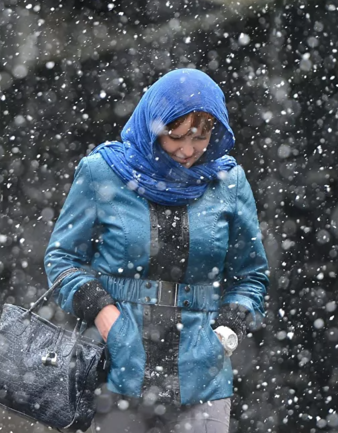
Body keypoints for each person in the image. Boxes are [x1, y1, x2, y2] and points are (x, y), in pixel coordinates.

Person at [44, 69, 269, 432]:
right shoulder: (102, 172)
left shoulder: (229, 182)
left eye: (202, 137)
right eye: (175, 136)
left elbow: (251, 275)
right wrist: (105, 318)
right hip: (112, 368)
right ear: (152, 127)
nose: (188, 150)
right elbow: (63, 258)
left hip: (203, 372)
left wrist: (227, 332)